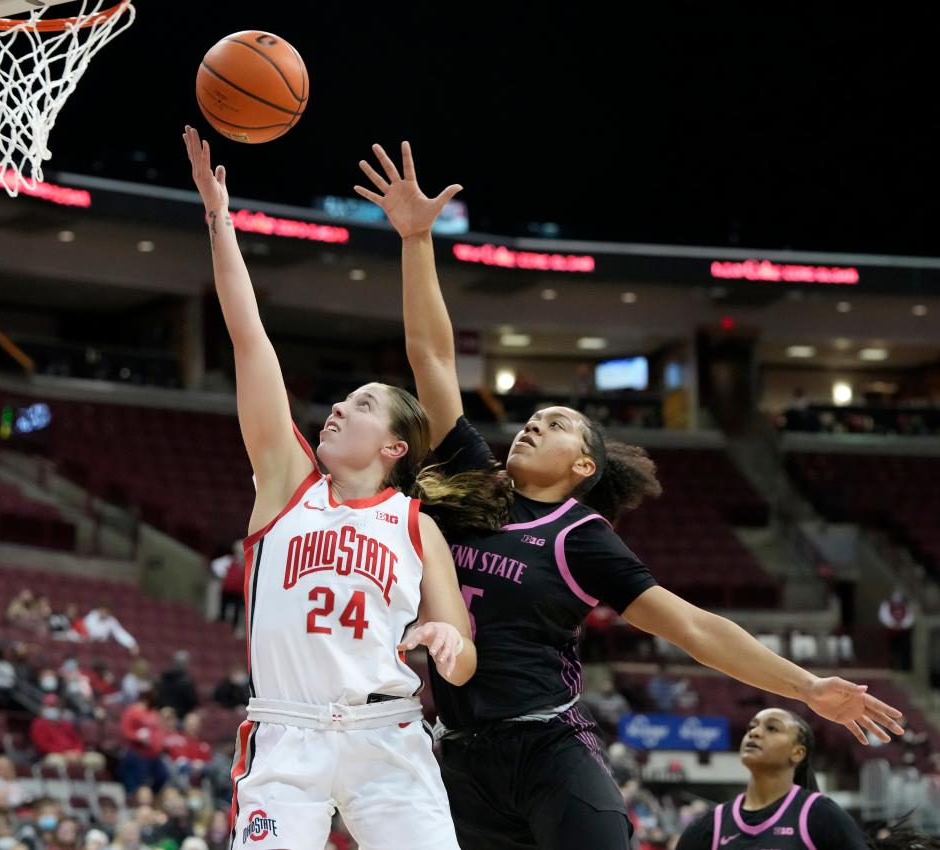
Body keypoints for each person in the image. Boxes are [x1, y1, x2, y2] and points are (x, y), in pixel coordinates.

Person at [355, 141, 906, 850]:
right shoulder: (472, 481)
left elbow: (696, 629)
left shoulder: (578, 536)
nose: (531, 424)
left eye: (553, 424)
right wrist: (417, 239)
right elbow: (431, 355)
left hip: (548, 752)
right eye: (531, 417)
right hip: (459, 758)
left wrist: (807, 689)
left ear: (582, 463)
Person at [183, 125, 510, 850]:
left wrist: (446, 647)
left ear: (396, 445)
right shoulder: (286, 482)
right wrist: (218, 214)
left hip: (385, 735)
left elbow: (460, 641)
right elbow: (249, 338)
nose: (336, 407)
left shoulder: (414, 521)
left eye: (361, 403)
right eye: (340, 400)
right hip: (287, 732)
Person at [676, 708, 940, 850]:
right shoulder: (711, 826)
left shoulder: (819, 816)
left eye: (772, 728)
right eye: (751, 727)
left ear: (797, 753)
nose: (755, 733)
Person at [155, 651, 199, 719]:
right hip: (181, 717)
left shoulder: (162, 679)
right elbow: (192, 702)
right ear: (184, 664)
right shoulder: (186, 682)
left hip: (163, 716)